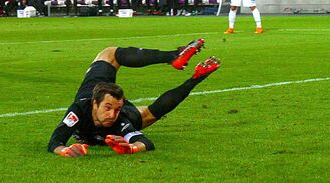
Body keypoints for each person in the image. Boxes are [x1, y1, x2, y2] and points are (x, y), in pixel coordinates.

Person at [48, 38, 219, 157]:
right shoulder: (79, 110)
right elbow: (56, 142)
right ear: (95, 104)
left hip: (103, 94)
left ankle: (175, 57)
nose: (112, 115)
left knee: (110, 54)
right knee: (148, 114)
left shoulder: (120, 119)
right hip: (98, 90)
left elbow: (144, 142)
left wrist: (131, 148)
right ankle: (184, 67)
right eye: (108, 109)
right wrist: (65, 150)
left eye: (115, 110)